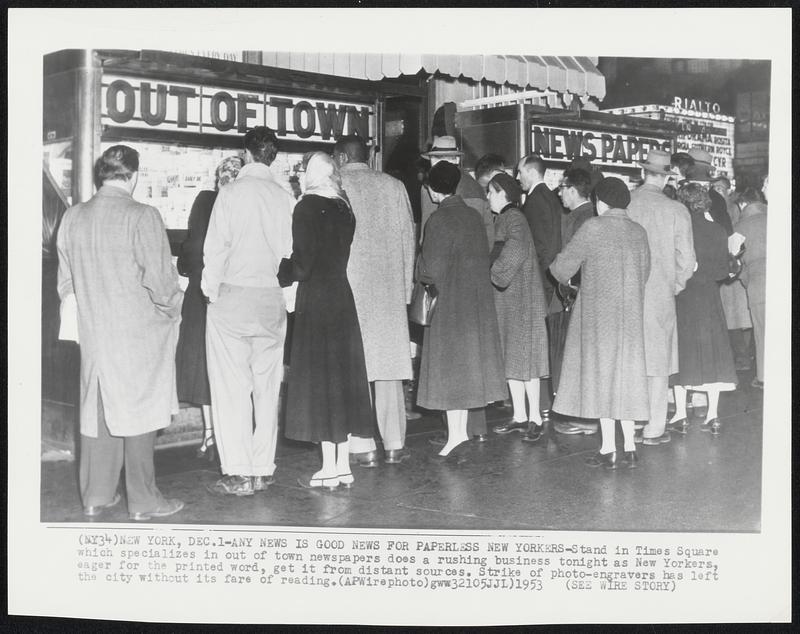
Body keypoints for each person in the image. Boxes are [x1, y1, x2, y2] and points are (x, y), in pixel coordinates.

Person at [56, 145, 185, 520]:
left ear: (103, 175)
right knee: (139, 412)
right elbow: (161, 285)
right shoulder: (142, 215)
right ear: (133, 176)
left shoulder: (72, 218)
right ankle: (144, 501)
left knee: (98, 411)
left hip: (95, 334)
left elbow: (66, 284)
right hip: (138, 335)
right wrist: (175, 308)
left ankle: (96, 495)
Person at [202, 126, 294, 497]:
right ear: (273, 156)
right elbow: (290, 253)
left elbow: (215, 250)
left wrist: (212, 292)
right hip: (271, 298)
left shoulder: (230, 193)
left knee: (231, 387)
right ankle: (263, 467)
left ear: (247, 153)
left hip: (233, 299)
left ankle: (238, 472)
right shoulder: (286, 198)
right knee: (267, 388)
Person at [278, 152, 373, 488]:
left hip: (316, 300)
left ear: (311, 174)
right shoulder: (344, 208)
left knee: (321, 382)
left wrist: (281, 269)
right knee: (340, 380)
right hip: (341, 298)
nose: (298, 175)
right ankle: (343, 464)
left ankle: (328, 467)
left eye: (301, 170)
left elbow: (301, 266)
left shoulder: (305, 207)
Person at [549, 177, 651, 469]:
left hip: (597, 317)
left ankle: (608, 449)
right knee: (626, 381)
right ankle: (630, 447)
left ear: (601, 202)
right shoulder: (639, 232)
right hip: (630, 318)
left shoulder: (593, 227)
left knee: (601, 380)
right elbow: (645, 273)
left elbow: (561, 268)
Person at [333, 135, 417, 467]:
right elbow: (409, 241)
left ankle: (361, 444)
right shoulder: (395, 186)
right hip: (388, 293)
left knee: (355, 368)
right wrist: (405, 291)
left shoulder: (337, 185)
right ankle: (395, 443)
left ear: (340, 157)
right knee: (388, 371)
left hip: (349, 290)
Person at [416, 161, 506, 457]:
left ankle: (456, 435)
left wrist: (419, 268)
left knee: (451, 371)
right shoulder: (472, 216)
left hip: (449, 304)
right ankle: (458, 434)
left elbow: (431, 270)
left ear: (432, 189)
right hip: (475, 303)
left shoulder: (438, 220)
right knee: (464, 371)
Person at [625, 149, 696, 445]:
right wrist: (673, 284)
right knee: (658, 362)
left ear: (643, 173)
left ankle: (629, 422)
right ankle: (654, 426)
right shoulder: (676, 210)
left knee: (629, 357)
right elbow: (687, 260)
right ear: (667, 176)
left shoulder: (626, 203)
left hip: (626, 290)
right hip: (660, 294)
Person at [176, 156, 243, 462]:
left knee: (204, 364)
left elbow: (191, 251)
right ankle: (232, 432)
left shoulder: (205, 201)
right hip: (238, 293)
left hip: (203, 293)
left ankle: (209, 432)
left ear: (218, 179)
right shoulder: (246, 203)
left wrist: (187, 268)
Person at [667, 183, 738, 435]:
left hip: (685, 297)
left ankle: (680, 414)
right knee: (714, 355)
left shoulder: (679, 229)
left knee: (682, 353)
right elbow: (723, 272)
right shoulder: (718, 230)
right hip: (710, 298)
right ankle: (713, 415)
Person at [486, 173, 550, 443]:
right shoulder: (508, 218)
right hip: (512, 298)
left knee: (526, 360)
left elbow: (514, 250)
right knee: (515, 358)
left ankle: (535, 417)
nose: (487, 196)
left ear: (502, 193)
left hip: (520, 299)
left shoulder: (513, 218)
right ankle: (520, 415)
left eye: (490, 191)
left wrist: (492, 272)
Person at [550, 166, 601, 437]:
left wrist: (569, 284)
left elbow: (579, 260)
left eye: (562, 188)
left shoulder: (583, 218)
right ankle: (585, 415)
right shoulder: (580, 215)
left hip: (579, 295)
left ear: (572, 189)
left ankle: (588, 418)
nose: (559, 194)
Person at [419, 136, 494, 250]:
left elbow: (426, 237)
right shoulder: (475, 188)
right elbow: (487, 236)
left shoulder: (428, 187)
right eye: (437, 158)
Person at [712, 176, 754, 371]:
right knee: (734, 316)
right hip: (727, 266)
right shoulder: (716, 207)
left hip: (735, 265)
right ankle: (740, 356)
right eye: (715, 187)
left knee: (738, 316)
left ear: (728, 190)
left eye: (721, 187)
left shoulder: (732, 209)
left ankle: (742, 356)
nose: (718, 190)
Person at [516, 154, 563, 308]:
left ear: (533, 173)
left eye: (520, 172)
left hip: (540, 279)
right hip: (550, 276)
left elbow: (539, 244)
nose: (517, 177)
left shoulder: (535, 201)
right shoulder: (550, 197)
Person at [735, 198, 767, 389]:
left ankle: (763, 377)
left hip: (758, 282)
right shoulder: (777, 218)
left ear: (742, 206)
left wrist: (747, 279)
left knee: (762, 330)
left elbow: (733, 261)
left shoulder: (740, 226)